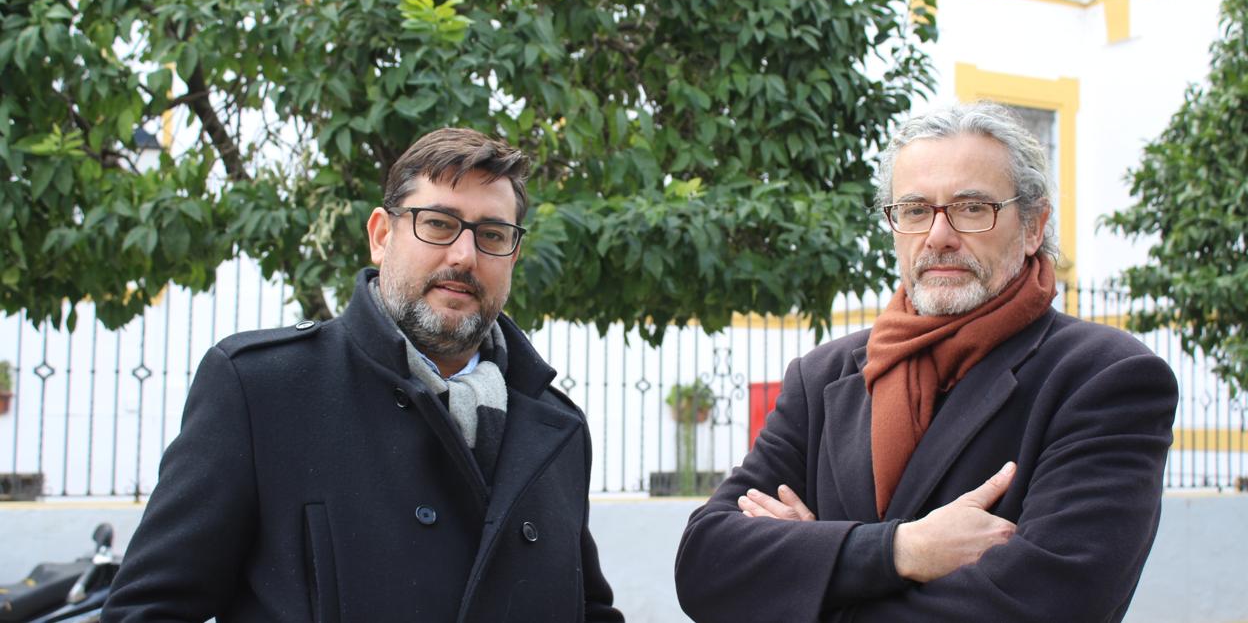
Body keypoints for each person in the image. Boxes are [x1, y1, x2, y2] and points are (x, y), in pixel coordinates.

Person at [674, 102, 1178, 622]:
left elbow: (1047, 605)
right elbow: (707, 565)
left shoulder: (1104, 377)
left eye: (972, 207)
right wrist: (902, 550)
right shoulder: (823, 375)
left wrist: (808, 573)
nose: (938, 235)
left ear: (1033, 226)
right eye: (914, 210)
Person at [103, 128, 623, 622]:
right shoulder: (264, 390)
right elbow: (148, 610)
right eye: (438, 223)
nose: (464, 255)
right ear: (381, 235)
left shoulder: (556, 428)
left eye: (492, 234)